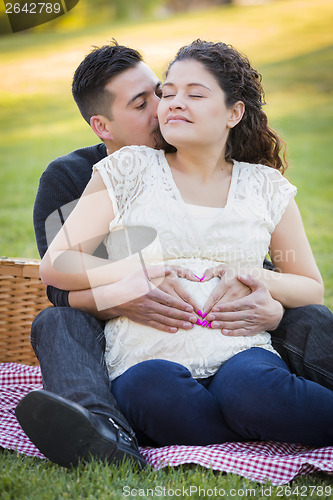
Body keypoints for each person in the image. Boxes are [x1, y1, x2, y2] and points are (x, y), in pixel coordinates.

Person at [15, 41, 333, 467]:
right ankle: (103, 431)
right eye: (162, 97)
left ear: (233, 113)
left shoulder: (262, 186)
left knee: (253, 386)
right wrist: (132, 282)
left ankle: (247, 414)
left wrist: (262, 290)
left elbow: (305, 284)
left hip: (237, 346)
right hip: (143, 349)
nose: (167, 106)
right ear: (102, 125)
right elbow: (58, 272)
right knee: (142, 383)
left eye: (186, 94)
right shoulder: (115, 171)